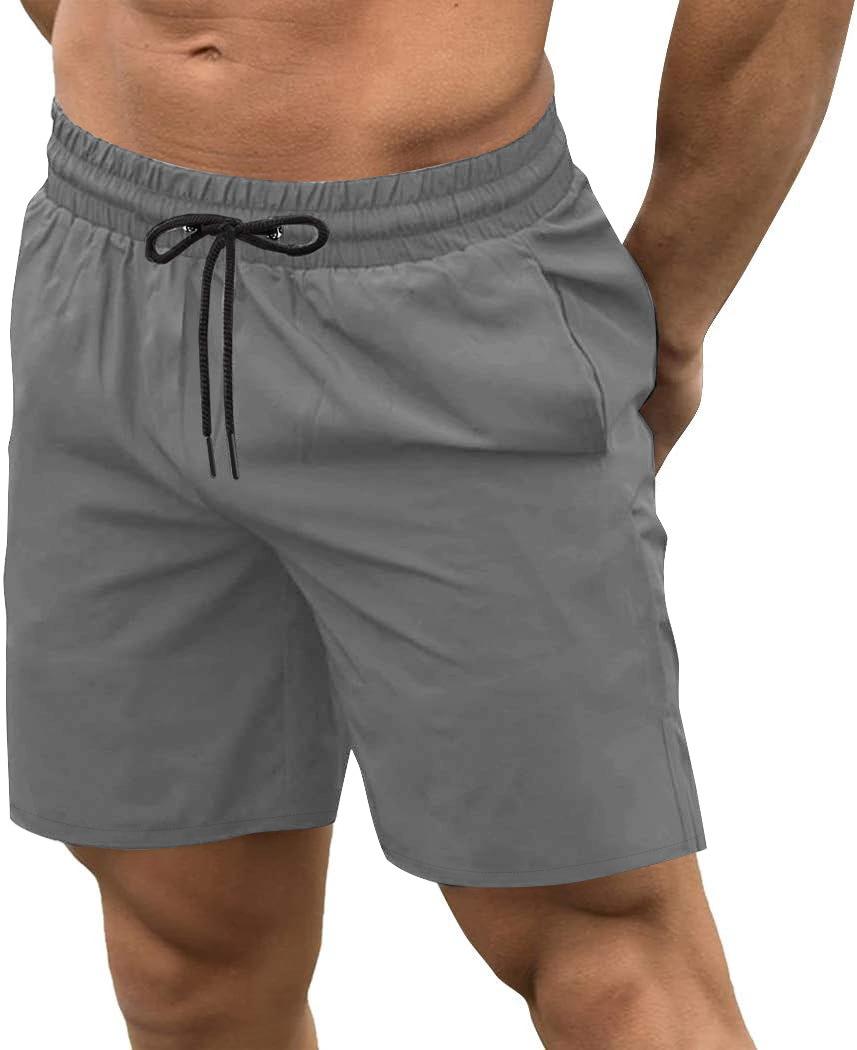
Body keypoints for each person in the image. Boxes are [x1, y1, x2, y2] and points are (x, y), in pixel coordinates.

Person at [6, 2, 852, 1048]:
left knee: (600, 946)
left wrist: (669, 320)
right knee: (182, 957)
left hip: (444, 305)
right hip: (105, 271)